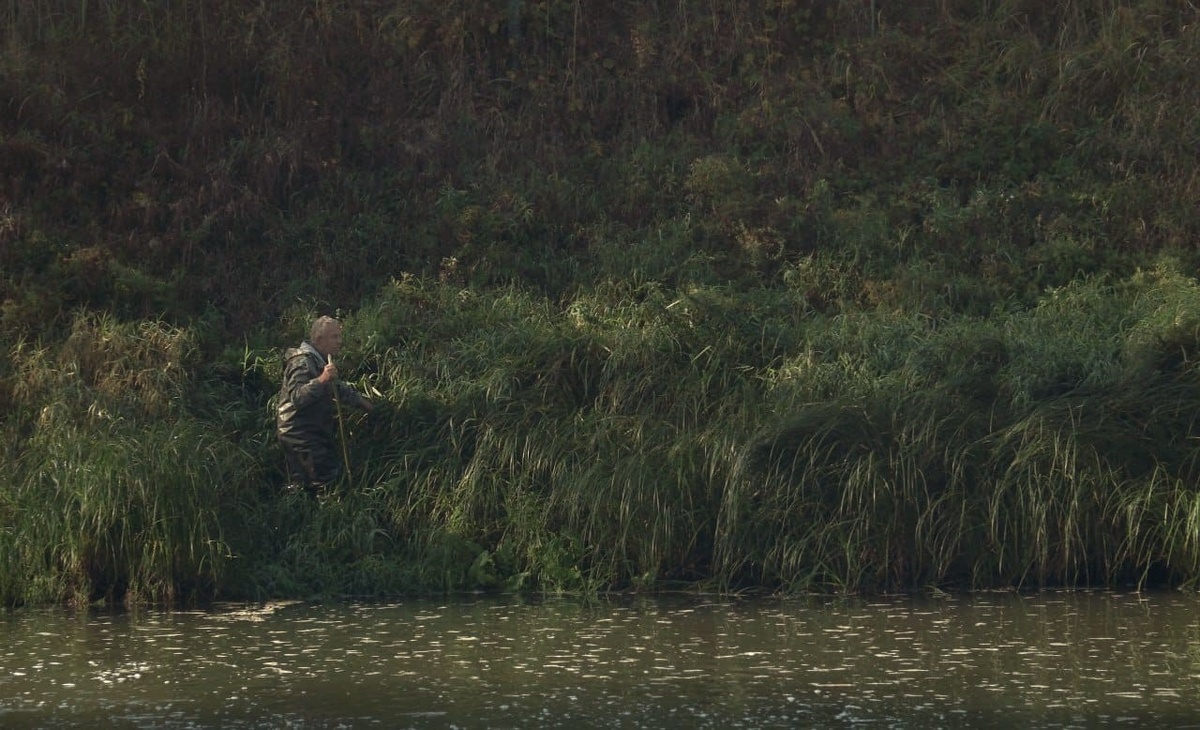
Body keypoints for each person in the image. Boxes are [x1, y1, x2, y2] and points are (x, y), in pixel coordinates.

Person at [276, 315, 374, 490]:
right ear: (319, 339)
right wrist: (322, 379)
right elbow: (297, 397)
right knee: (325, 483)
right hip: (300, 434)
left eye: (339, 336)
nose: (340, 342)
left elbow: (339, 389)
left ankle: (302, 512)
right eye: (334, 337)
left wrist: (369, 407)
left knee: (306, 486)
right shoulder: (302, 361)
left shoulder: (319, 361)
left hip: (307, 433)